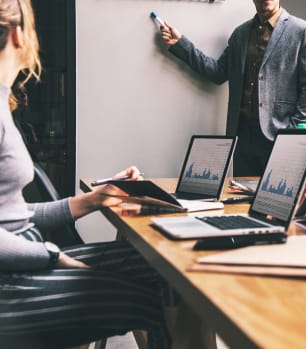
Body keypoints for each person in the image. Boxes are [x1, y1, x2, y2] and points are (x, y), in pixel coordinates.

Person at [0, 1, 175, 347]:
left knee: (165, 266)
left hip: (25, 262)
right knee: (151, 298)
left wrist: (96, 199)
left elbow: (11, 217)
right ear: (20, 35)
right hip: (11, 283)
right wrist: (55, 258)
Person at [159, 0, 306, 176]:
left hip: (280, 135)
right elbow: (217, 72)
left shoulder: (302, 31)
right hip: (242, 136)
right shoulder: (240, 34)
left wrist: (295, 132)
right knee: (243, 200)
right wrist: (180, 44)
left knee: (278, 200)